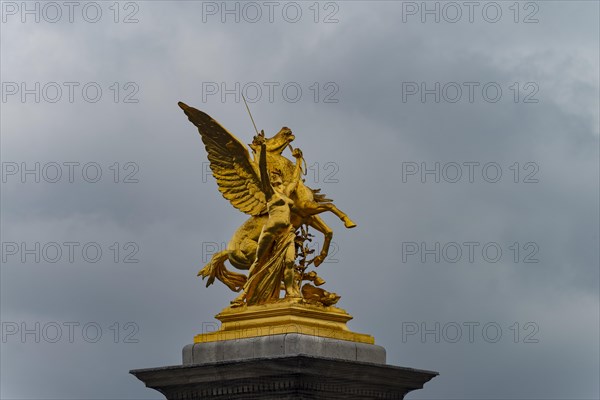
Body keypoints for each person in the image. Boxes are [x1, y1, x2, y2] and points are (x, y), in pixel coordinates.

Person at [231, 145, 304, 307]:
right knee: (259, 262)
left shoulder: (285, 193)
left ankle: (291, 292)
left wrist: (298, 160)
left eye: (279, 177)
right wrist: (262, 150)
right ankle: (244, 293)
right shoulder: (269, 193)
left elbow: (294, 179)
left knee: (290, 262)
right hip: (270, 231)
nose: (278, 179)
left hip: (287, 232)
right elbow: (263, 169)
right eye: (275, 177)